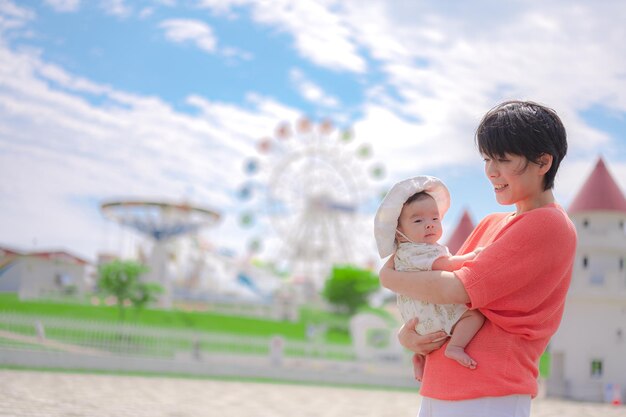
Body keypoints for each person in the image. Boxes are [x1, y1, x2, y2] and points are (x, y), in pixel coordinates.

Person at [379, 100, 577, 417]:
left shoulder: (548, 223)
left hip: (488, 392)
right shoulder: (490, 224)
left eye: (503, 160)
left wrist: (388, 278)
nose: (491, 172)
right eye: (487, 159)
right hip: (443, 386)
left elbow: (455, 289)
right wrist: (409, 336)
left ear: (543, 162)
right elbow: (437, 296)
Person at [374, 176, 485, 381]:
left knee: (432, 336)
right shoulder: (418, 251)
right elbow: (446, 265)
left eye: (435, 219)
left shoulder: (402, 254)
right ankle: (456, 347)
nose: (429, 225)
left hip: (418, 319)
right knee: (473, 316)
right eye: (418, 220)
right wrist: (472, 256)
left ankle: (420, 358)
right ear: (399, 234)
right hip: (432, 312)